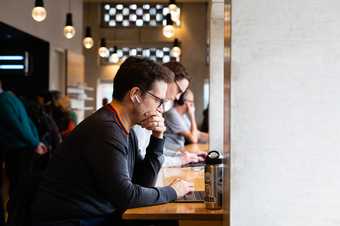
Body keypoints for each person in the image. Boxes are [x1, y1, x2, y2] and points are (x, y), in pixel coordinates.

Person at [31, 57, 194, 226]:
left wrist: (157, 137)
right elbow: (127, 197)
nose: (160, 109)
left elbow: (143, 182)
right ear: (135, 94)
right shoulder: (105, 129)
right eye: (158, 101)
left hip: (96, 215)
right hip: (75, 220)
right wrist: (173, 191)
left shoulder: (125, 129)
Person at [132, 62, 206, 167]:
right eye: (179, 91)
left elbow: (157, 151)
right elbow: (144, 157)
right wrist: (179, 160)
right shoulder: (145, 107)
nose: (177, 98)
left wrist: (184, 156)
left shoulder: (158, 107)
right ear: (167, 78)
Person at [0, 80, 48, 225]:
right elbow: (28, 123)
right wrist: (36, 141)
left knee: (18, 189)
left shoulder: (2, 101)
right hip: (25, 148)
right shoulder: (12, 97)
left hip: (17, 150)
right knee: (21, 187)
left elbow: (16, 126)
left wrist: (35, 143)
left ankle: (14, 220)